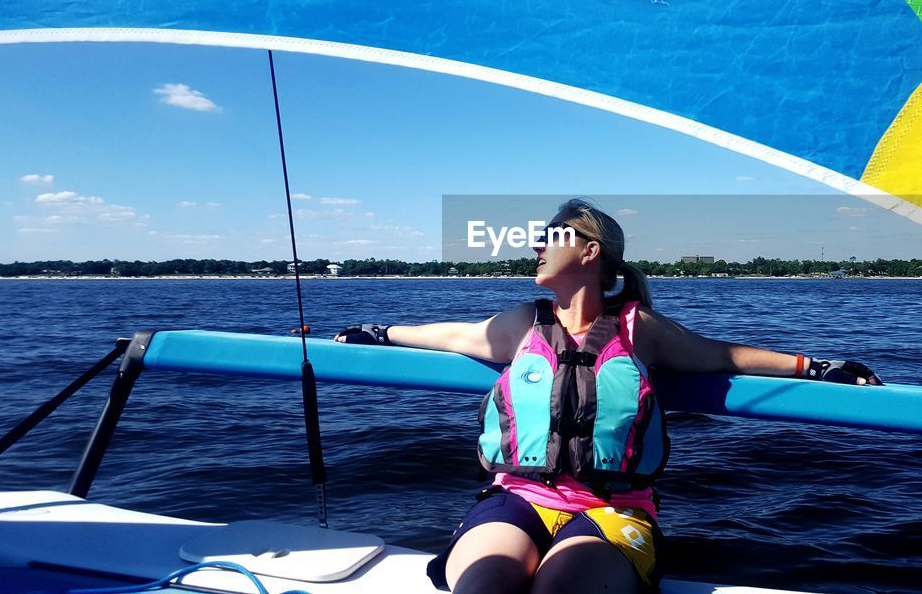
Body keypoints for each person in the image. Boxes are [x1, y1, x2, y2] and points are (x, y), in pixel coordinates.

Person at [335, 198, 881, 594]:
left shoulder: (636, 329)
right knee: (483, 588)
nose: (536, 244)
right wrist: (381, 332)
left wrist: (815, 366)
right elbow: (455, 335)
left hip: (612, 508)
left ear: (590, 251)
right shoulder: (525, 323)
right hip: (519, 498)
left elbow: (722, 355)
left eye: (552, 235)